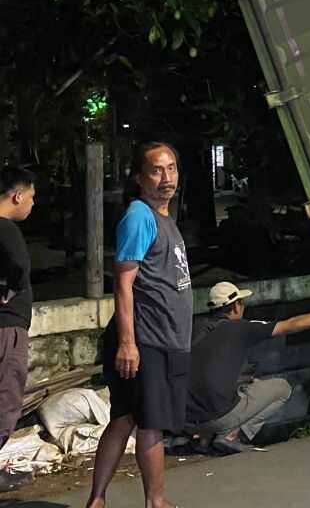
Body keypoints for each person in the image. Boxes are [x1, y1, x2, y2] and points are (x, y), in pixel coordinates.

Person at [88, 142, 192, 508]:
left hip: (162, 338)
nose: (167, 178)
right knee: (151, 423)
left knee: (125, 418)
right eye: (157, 170)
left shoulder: (163, 218)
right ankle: (156, 502)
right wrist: (129, 343)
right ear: (139, 177)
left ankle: (97, 500)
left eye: (172, 168)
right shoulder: (139, 216)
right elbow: (123, 283)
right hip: (147, 339)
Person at [186, 282, 310, 454]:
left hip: (186, 421)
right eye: (241, 303)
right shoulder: (242, 328)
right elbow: (290, 325)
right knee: (282, 388)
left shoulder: (195, 327)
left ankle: (203, 440)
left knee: (236, 386)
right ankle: (230, 436)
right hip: (217, 418)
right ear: (235, 306)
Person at [0, 167, 36, 492]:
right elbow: (20, 266)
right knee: (7, 397)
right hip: (8, 327)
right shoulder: (6, 229)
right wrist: (10, 290)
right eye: (32, 196)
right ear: (17, 195)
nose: (33, 204)